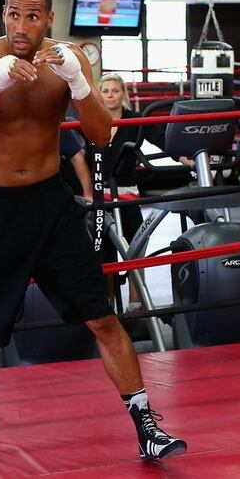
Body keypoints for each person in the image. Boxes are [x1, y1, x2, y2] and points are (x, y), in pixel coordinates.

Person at [0, 0, 186, 461]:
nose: (21, 25)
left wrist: (76, 79)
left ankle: (146, 424)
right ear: (3, 13)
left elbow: (100, 134)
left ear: (49, 18)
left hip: (51, 205)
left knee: (102, 314)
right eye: (13, 14)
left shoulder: (64, 58)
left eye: (32, 16)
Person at [85, 73, 164, 309]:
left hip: (127, 194)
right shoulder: (90, 121)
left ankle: (135, 306)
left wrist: (188, 156)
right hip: (99, 198)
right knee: (104, 255)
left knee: (135, 248)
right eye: (106, 91)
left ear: (123, 94)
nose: (110, 95)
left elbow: (161, 138)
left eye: (115, 90)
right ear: (100, 94)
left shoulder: (134, 120)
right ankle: (107, 307)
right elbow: (75, 154)